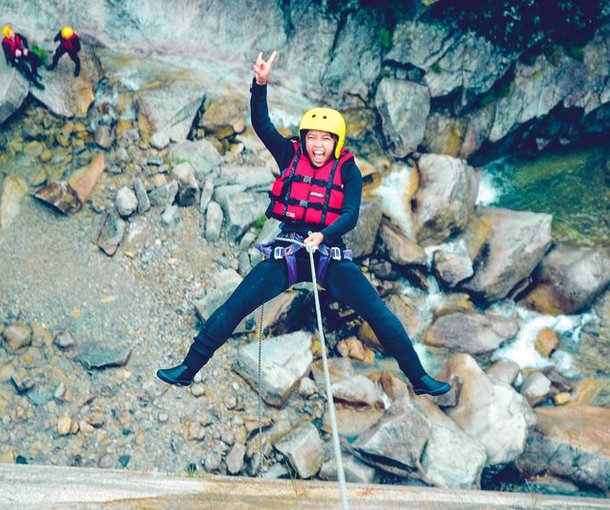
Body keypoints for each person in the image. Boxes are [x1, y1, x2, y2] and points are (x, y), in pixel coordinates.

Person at [157, 51, 451, 397]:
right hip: (289, 253)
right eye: (312, 137)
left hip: (330, 257)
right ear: (304, 137)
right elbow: (262, 124)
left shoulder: (348, 171)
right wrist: (260, 84)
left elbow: (351, 215)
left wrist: (323, 235)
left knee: (380, 316)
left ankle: (419, 378)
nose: (318, 144)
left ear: (336, 142)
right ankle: (188, 370)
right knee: (233, 307)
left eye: (326, 138)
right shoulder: (288, 155)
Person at [2, 25, 44, 89]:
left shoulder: (17, 35)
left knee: (33, 56)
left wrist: (26, 48)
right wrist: (15, 54)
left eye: (12, 30)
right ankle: (35, 82)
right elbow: (8, 56)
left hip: (20, 51)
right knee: (25, 68)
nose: (13, 32)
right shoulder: (5, 44)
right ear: (8, 35)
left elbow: (24, 39)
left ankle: (34, 72)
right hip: (14, 58)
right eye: (10, 32)